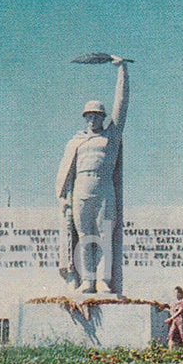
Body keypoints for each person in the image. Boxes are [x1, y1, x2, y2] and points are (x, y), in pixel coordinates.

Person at [56, 56, 128, 294]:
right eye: (90, 115)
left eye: (97, 115)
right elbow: (67, 172)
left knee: (104, 235)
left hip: (104, 187)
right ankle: (87, 280)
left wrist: (122, 71)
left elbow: (121, 105)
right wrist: (65, 196)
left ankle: (103, 280)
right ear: (85, 117)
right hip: (81, 189)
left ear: (102, 117)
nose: (93, 118)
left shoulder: (111, 136)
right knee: (84, 235)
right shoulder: (75, 141)